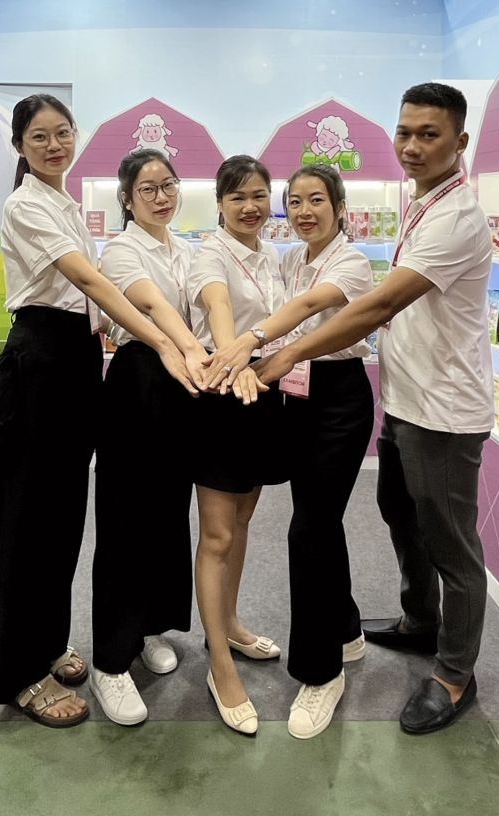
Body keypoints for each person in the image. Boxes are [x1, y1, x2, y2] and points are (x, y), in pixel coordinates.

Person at [255, 83, 493, 736]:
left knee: (451, 544)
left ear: (459, 142)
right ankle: (420, 620)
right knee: (399, 513)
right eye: (405, 132)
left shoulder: (455, 217)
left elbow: (380, 304)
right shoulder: (421, 202)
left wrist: (282, 352)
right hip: (405, 399)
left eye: (429, 135)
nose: (412, 146)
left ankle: (454, 673)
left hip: (443, 411)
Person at [0, 95, 198, 729]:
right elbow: (91, 283)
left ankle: (49, 644)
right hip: (38, 365)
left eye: (63, 133)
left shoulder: (67, 204)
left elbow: (91, 305)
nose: (54, 145)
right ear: (19, 146)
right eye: (39, 137)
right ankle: (20, 673)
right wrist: (163, 341)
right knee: (27, 524)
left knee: (62, 520)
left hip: (76, 364)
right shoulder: (25, 204)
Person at [203, 165, 374, 739]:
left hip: (339, 399)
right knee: (321, 522)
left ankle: (321, 673)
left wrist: (251, 345)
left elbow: (305, 311)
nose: (304, 212)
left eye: (317, 200)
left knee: (309, 529)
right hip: (295, 397)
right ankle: (345, 630)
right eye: (295, 201)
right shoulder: (291, 258)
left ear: (340, 207)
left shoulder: (352, 262)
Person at [89, 149, 211, 725]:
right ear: (127, 199)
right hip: (139, 381)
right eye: (147, 189)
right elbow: (154, 307)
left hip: (182, 385)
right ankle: (109, 662)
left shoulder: (185, 249)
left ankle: (147, 629)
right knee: (124, 518)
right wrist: (191, 351)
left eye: (168, 185)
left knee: (167, 513)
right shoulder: (121, 251)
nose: (161, 197)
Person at [187, 155, 287, 737]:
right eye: (237, 197)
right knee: (218, 535)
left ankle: (228, 624)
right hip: (224, 394)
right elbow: (218, 308)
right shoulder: (210, 254)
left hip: (262, 392)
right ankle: (220, 666)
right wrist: (233, 359)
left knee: (243, 522)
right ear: (220, 204)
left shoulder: (272, 255)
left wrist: (258, 366)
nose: (250, 207)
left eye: (258, 195)